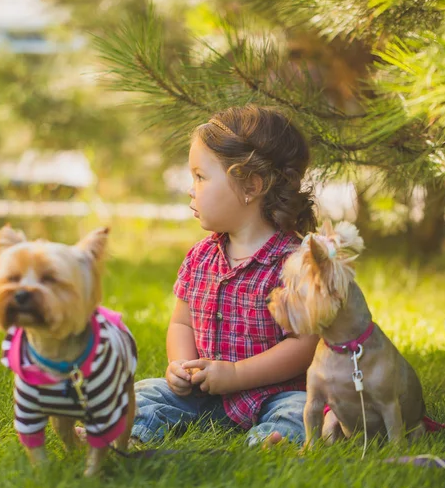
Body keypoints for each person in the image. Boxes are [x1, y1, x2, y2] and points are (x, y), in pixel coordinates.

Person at [131, 104, 320, 448]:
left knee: (299, 410)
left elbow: (304, 344)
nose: (191, 188)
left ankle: (272, 442)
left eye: (200, 177)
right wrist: (180, 366)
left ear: (251, 185)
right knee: (145, 393)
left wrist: (235, 375)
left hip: (273, 393)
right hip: (204, 392)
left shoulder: (295, 264)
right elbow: (182, 323)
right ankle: (129, 432)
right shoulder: (200, 256)